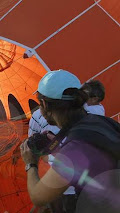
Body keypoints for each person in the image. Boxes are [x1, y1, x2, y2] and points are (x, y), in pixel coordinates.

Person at [20, 70, 120, 213]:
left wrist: (31, 163)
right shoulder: (103, 122)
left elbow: (39, 197)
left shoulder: (75, 149)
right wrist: (58, 150)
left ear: (44, 104)